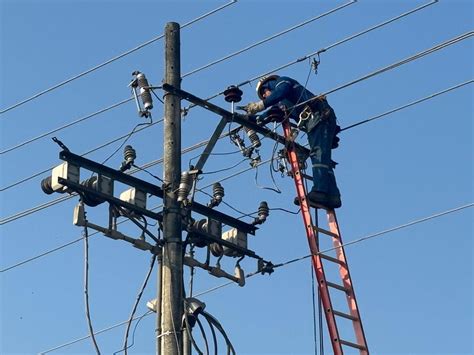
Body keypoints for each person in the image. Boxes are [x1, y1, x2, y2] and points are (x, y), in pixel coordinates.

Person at [242, 74, 341, 209]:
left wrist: (261, 105)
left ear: (269, 84)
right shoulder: (283, 102)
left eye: (263, 93)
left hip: (319, 115)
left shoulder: (283, 82)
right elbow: (271, 114)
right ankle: (333, 196)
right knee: (322, 156)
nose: (265, 96)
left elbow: (281, 91)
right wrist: (253, 119)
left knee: (318, 153)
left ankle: (320, 191)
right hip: (316, 121)